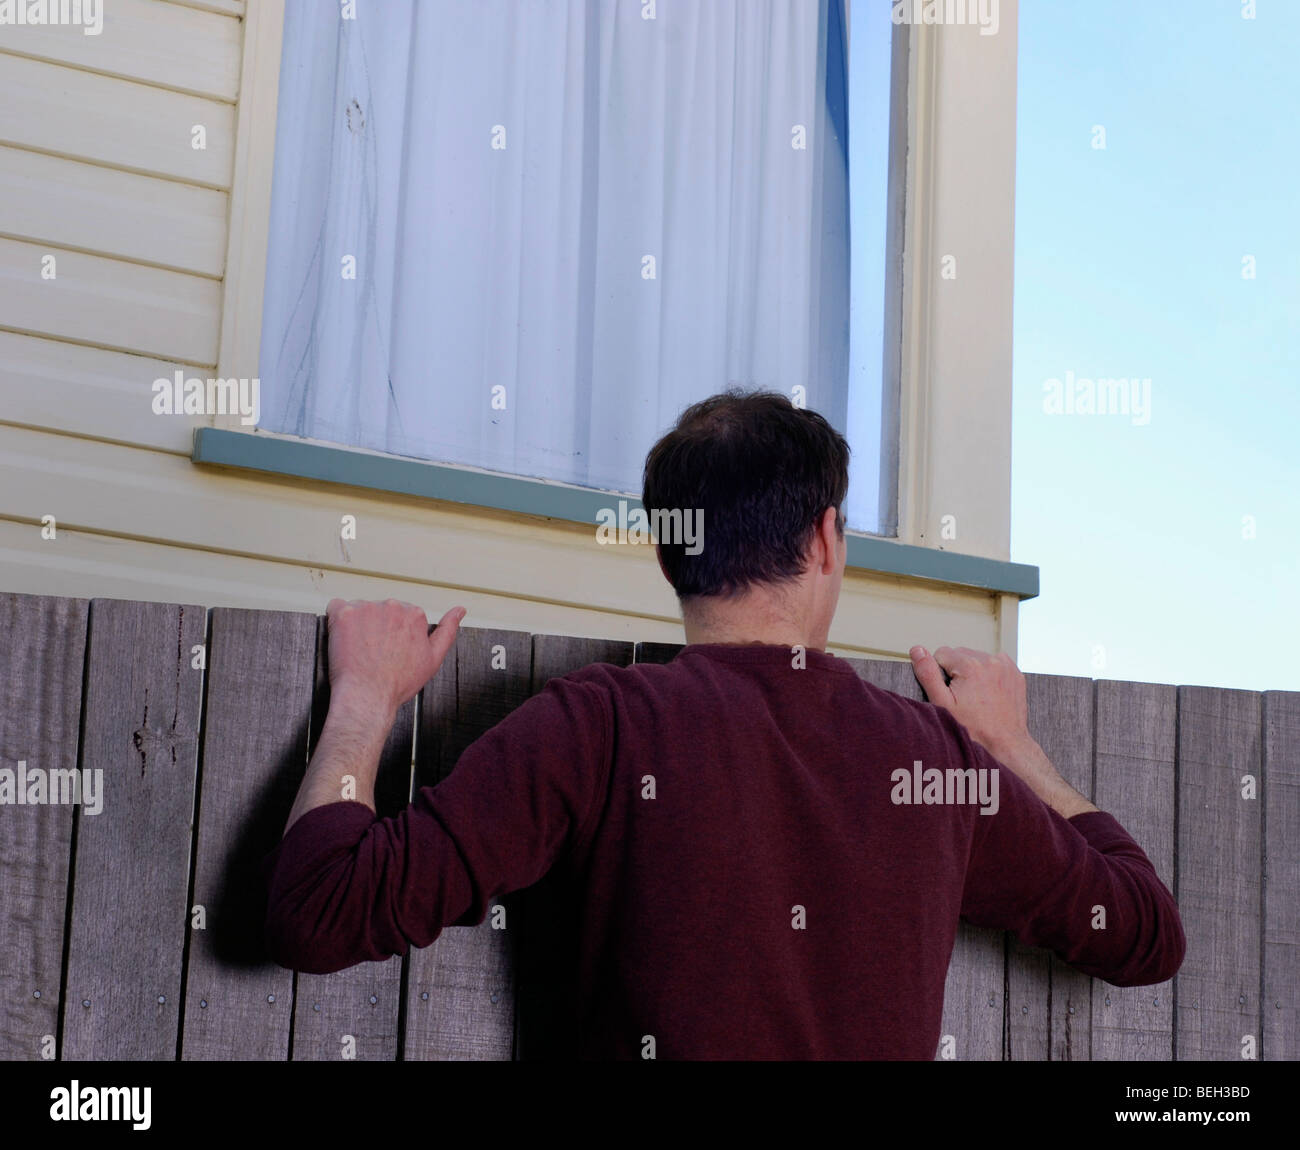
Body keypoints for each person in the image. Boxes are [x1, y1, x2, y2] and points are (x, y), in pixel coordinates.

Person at [263, 389, 1185, 1059]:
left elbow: (321, 910)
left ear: (670, 564)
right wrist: (1010, 746)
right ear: (826, 542)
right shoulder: (936, 764)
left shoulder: (596, 729)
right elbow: (1145, 930)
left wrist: (366, 700)